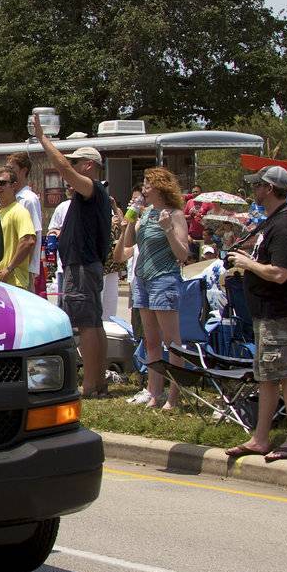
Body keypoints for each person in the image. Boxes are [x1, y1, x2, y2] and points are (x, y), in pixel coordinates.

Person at [224, 166, 287, 462]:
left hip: (279, 312)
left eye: (257, 186)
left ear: (269, 188)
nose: (253, 191)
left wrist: (248, 265)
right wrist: (248, 259)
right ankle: (260, 438)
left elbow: (280, 273)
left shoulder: (284, 226)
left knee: (286, 374)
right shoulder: (272, 222)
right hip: (266, 313)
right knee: (267, 376)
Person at [34, 118, 110, 396]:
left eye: (76, 163)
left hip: (82, 265)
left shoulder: (91, 187)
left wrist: (44, 140)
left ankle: (90, 385)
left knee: (86, 325)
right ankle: (97, 381)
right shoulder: (96, 193)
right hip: (86, 264)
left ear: (88, 166)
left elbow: (64, 169)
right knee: (94, 323)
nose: (71, 168)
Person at [119, 168, 193, 409]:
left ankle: (174, 395)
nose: (144, 189)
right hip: (142, 279)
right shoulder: (146, 213)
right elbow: (129, 243)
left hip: (164, 279)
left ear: (160, 188)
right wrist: (130, 220)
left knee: (171, 342)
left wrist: (168, 229)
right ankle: (155, 392)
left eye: (148, 184)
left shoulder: (175, 214)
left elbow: (183, 254)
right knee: (151, 341)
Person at [0, 169, 35, 290]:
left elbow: (28, 241)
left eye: (2, 183)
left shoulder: (19, 211)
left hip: (13, 282)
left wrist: (9, 268)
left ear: (14, 185)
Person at [5, 151, 44, 290]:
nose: (8, 172)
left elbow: (33, 236)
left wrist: (30, 269)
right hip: (8, 267)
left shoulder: (28, 199)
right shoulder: (10, 198)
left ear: (23, 170)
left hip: (22, 271)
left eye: (12, 169)